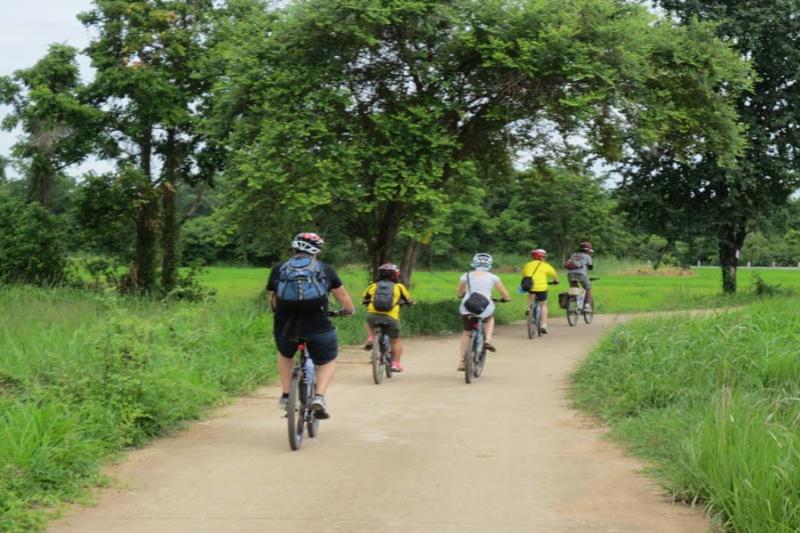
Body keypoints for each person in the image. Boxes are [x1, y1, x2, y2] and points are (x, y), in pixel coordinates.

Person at [267, 232, 355, 419]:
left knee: (285, 355)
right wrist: (348, 310)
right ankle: (320, 397)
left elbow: (272, 299)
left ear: (294, 247)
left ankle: (285, 396)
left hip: (286, 326)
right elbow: (343, 296)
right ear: (318, 250)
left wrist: (279, 314)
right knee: (327, 360)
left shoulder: (279, 268)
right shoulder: (324, 269)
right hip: (318, 325)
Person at [455, 253, 511, 370]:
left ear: (474, 263)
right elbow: (504, 293)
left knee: (466, 332)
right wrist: (506, 299)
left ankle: (462, 361)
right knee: (490, 318)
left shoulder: (466, 276)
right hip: (485, 307)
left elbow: (459, 292)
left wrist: (462, 295)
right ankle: (488, 340)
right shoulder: (493, 277)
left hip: (468, 307)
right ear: (489, 264)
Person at [361, 263, 414, 372]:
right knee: (395, 340)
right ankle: (396, 364)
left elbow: (364, 298)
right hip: (391, 317)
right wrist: (411, 303)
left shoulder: (373, 285)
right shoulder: (399, 287)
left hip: (373, 315)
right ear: (395, 275)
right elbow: (409, 300)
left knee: (368, 322)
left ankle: (371, 337)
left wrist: (367, 302)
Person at [521, 248, 559, 333]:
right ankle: (544, 325)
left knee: (531, 295)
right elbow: (554, 274)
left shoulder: (527, 265)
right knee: (543, 305)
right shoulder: (545, 265)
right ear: (542, 257)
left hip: (530, 286)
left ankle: (529, 308)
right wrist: (556, 281)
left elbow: (524, 275)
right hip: (542, 288)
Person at [565, 241, 594, 308]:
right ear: (588, 250)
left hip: (570, 275)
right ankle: (587, 305)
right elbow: (590, 267)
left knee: (575, 289)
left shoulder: (574, 255)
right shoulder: (587, 256)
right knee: (588, 288)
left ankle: (576, 304)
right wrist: (589, 257)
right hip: (581, 274)